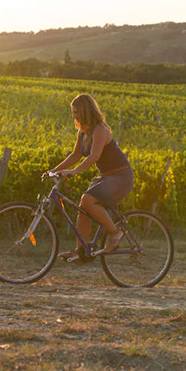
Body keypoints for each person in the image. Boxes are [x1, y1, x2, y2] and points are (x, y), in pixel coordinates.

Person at [46, 93, 133, 263]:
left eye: (76, 112)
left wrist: (73, 172)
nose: (73, 116)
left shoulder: (100, 130)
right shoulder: (83, 132)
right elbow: (75, 155)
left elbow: (94, 156)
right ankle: (81, 250)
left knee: (87, 199)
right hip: (106, 177)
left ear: (85, 112)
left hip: (120, 177)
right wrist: (54, 170)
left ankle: (115, 232)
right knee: (83, 208)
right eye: (73, 112)